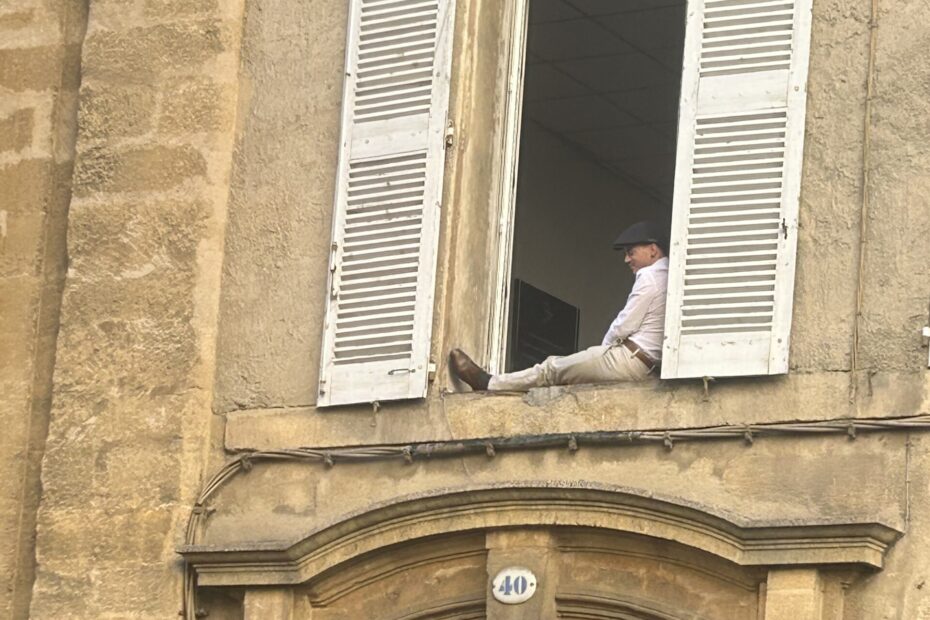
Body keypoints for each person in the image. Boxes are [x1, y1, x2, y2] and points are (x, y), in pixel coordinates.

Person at [449, 220, 669, 391]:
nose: (627, 260)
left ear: (652, 249)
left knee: (552, 368)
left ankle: (489, 383)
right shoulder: (669, 275)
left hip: (629, 360)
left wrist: (603, 351)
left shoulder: (649, 276)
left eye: (631, 253)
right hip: (648, 368)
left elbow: (624, 325)